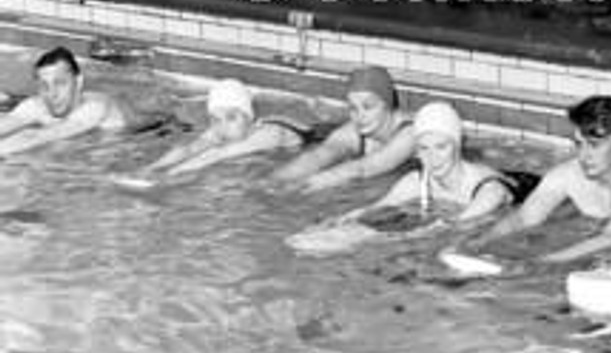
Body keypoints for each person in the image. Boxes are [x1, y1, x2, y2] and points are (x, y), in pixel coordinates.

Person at [478, 95, 611, 265]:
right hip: (600, 237)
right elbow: (523, 218)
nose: (583, 156)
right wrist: (478, 244)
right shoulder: (569, 174)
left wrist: (540, 264)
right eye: (579, 144)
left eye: (594, 145)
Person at [299, 101, 531, 244]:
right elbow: (377, 207)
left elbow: (455, 227)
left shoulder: (489, 191)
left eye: (442, 147)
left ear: (458, 145)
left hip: (532, 194)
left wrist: (376, 239)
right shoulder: (415, 181)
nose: (432, 158)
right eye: (424, 148)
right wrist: (338, 221)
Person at [275, 66, 416, 192]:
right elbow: (319, 155)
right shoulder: (355, 131)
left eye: (368, 107)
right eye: (353, 108)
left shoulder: (410, 133)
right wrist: (273, 181)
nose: (360, 116)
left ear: (388, 105)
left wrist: (305, 185)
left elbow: (364, 168)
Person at [133, 78, 302, 180]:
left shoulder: (270, 134)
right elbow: (189, 148)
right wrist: (150, 168)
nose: (222, 127)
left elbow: (217, 154)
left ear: (248, 117)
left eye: (231, 117)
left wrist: (169, 175)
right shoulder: (225, 128)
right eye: (215, 119)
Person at [0, 46, 129, 157]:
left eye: (60, 83)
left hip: (140, 127)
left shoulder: (95, 108)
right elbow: (9, 122)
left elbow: (36, 136)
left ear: (78, 82)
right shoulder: (36, 105)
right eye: (45, 86)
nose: (52, 94)